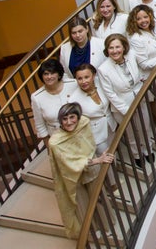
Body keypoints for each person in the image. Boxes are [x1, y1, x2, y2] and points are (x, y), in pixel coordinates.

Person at [48, 102, 114, 239]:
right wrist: (98, 160)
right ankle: (91, 229)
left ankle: (108, 226)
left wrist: (95, 159)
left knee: (99, 198)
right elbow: (68, 162)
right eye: (64, 119)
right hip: (72, 176)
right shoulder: (55, 141)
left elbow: (89, 145)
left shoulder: (84, 123)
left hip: (91, 170)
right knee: (82, 204)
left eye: (72, 117)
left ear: (78, 117)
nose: (68, 122)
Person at [97, 34, 153, 167]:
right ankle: (137, 154)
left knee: (145, 126)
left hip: (139, 98)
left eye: (117, 47)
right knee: (131, 132)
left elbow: (140, 71)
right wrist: (125, 110)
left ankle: (148, 149)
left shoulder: (132, 56)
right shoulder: (103, 69)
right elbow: (110, 94)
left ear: (123, 47)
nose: (115, 50)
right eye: (111, 48)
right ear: (107, 50)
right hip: (121, 106)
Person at [126, 5, 156, 132]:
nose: (143, 21)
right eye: (139, 19)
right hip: (148, 75)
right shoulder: (136, 38)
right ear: (134, 21)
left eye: (145, 17)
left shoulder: (153, 30)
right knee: (152, 99)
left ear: (150, 16)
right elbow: (144, 63)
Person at [68, 63, 116, 156]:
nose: (83, 81)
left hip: (111, 125)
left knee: (114, 151)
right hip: (96, 134)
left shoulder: (101, 82)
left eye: (86, 77)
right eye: (80, 78)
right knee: (105, 159)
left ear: (93, 76)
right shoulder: (73, 99)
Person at [31, 58, 79, 146]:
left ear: (59, 74)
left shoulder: (73, 84)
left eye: (52, 73)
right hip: (58, 140)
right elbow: (40, 125)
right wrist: (48, 146)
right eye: (46, 74)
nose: (49, 77)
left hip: (80, 133)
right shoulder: (37, 97)